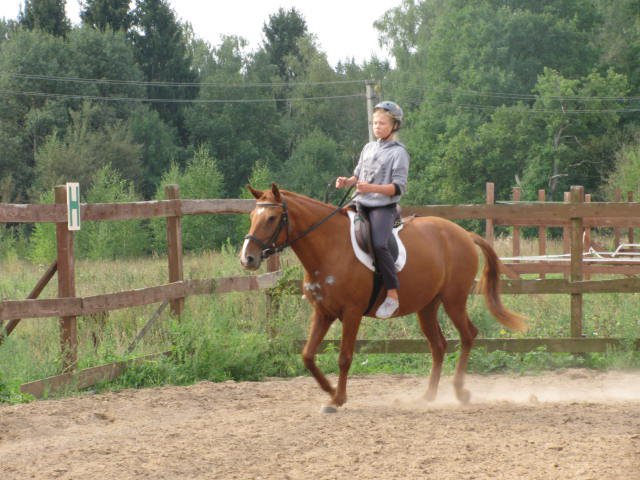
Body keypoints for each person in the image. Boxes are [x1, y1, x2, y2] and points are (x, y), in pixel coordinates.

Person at [336, 101, 410, 319]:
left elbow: (398, 188)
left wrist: (371, 188)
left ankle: (392, 293)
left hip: (383, 207)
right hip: (360, 202)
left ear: (394, 125)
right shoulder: (368, 148)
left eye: (382, 123)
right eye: (375, 123)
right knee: (334, 228)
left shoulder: (399, 153)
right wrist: (346, 182)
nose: (377, 126)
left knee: (379, 244)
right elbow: (357, 176)